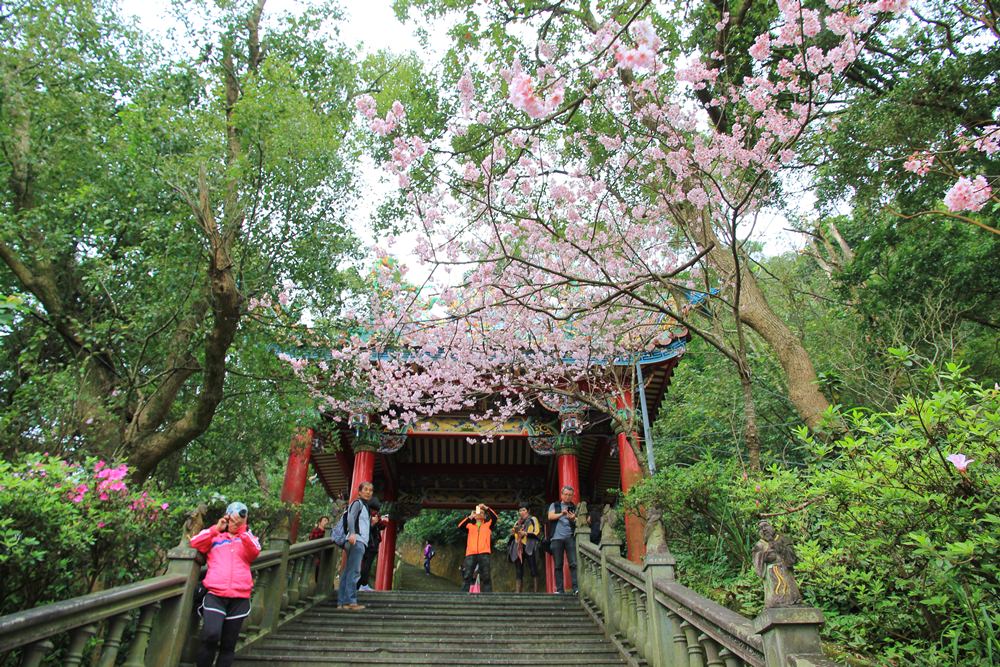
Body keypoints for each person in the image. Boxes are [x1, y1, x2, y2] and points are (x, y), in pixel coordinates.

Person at [189, 501, 262, 667]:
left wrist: (243, 529)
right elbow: (194, 542)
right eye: (233, 518)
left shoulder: (247, 538)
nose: (235, 523)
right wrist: (217, 528)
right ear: (227, 517)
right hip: (215, 594)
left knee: (228, 645)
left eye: (240, 520)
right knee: (210, 636)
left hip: (240, 597)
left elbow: (255, 550)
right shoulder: (215, 537)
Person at [337, 481, 373, 610]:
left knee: (348, 572)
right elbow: (351, 517)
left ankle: (341, 603)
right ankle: (350, 602)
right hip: (356, 540)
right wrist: (352, 533)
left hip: (357, 540)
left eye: (370, 490)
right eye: (366, 489)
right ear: (359, 492)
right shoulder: (357, 503)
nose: (368, 492)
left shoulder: (365, 506)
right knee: (354, 572)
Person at [458, 503, 498, 593]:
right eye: (477, 512)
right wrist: (470, 517)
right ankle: (462, 597)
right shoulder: (470, 526)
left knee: (486, 576)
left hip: (484, 553)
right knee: (467, 575)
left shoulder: (488, 525)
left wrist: (486, 508)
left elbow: (495, 518)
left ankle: (488, 597)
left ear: (484, 516)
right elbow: (460, 526)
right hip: (471, 553)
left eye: (482, 513)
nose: (479, 514)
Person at [547, 485, 579, 595]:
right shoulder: (555, 505)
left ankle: (576, 588)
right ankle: (560, 590)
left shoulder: (575, 507)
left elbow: (581, 521)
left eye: (570, 495)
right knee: (558, 565)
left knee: (573, 563)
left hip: (570, 537)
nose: (567, 497)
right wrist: (562, 513)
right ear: (561, 495)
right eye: (565, 494)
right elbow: (550, 517)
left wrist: (574, 518)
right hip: (556, 538)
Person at [509, 505, 541, 592]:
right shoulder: (517, 522)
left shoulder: (533, 519)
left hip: (529, 545)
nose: (521, 512)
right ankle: (518, 592)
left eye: (523, 510)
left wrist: (525, 533)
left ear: (528, 510)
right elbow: (514, 535)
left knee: (533, 567)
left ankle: (536, 592)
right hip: (519, 547)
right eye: (520, 510)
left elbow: (537, 532)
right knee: (518, 570)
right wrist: (513, 532)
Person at [358, 499, 386, 592]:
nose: (376, 512)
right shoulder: (365, 516)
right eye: (374, 510)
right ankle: (362, 584)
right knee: (365, 565)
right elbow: (364, 530)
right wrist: (373, 524)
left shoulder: (374, 515)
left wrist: (382, 522)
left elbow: (380, 527)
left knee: (367, 565)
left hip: (373, 543)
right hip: (368, 544)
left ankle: (363, 584)